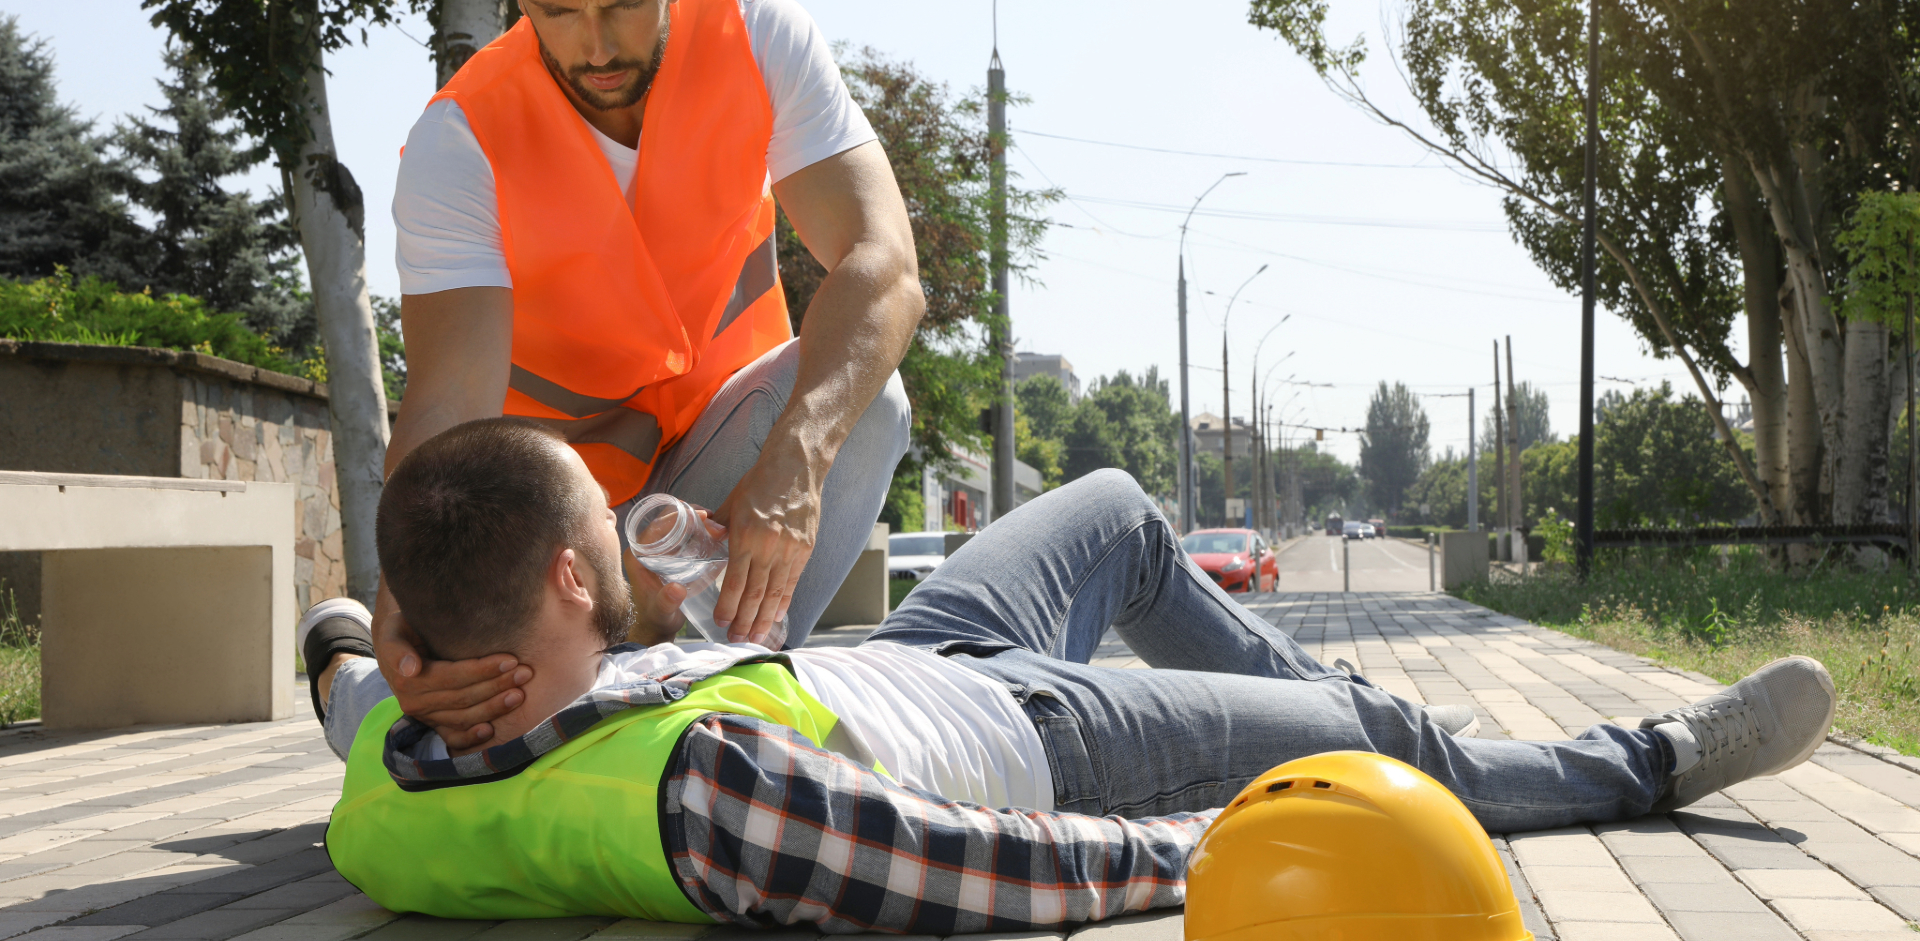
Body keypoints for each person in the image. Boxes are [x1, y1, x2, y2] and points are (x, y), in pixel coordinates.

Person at [309, 418, 1838, 935]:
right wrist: (1257, 827)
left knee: (1113, 505)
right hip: (1046, 744)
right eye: (603, 529)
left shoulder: (399, 760)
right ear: (572, 579)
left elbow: (338, 675)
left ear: (416, 643)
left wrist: (354, 635)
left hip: (903, 658)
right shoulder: (713, 791)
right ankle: (1650, 759)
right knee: (1365, 735)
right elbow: (991, 872)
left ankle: (1293, 701)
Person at [376, 0, 923, 752]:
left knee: (871, 403)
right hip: (568, 545)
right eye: (556, 11)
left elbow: (885, 263)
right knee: (442, 711)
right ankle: (346, 670)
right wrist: (404, 602)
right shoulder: (459, 141)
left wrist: (796, 459)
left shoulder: (761, 37)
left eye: (625, 2)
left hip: (723, 487)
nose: (594, 45)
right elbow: (445, 406)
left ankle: (740, 697)